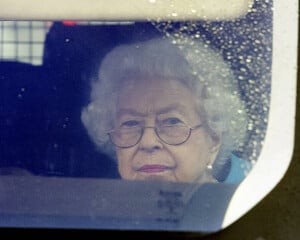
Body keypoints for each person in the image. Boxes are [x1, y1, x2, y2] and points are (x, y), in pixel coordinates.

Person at [81, 36, 248, 184]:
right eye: (130, 123)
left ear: (214, 139)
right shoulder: (98, 210)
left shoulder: (251, 197)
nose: (148, 142)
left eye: (172, 121)